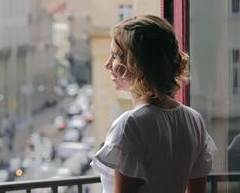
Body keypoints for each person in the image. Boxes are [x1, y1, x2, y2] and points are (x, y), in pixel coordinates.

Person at [90, 15, 217, 193]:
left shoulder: (130, 125)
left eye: (115, 56)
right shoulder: (194, 120)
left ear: (136, 63)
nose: (107, 64)